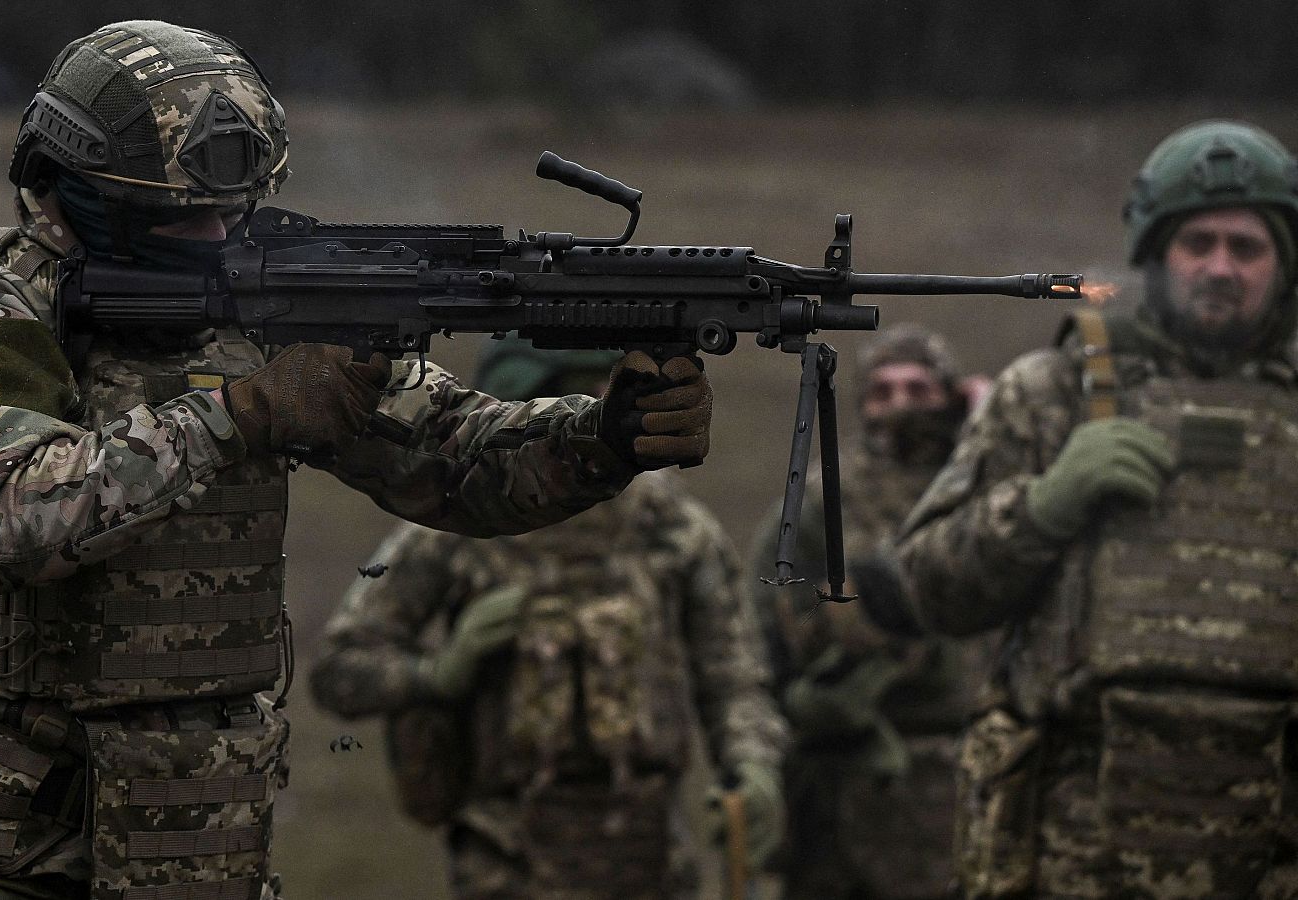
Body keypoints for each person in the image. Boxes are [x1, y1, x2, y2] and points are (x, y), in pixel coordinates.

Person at [0, 20, 714, 900]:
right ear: (85, 195)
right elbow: (11, 513)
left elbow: (451, 456)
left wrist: (603, 438)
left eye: (232, 210)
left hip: (189, 841)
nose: (218, 237)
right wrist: (238, 415)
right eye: (183, 215)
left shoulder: (256, 300)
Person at [887, 120, 1298, 897]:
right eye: (1198, 243)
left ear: (1284, 263)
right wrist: (1042, 508)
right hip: (1070, 856)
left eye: (1246, 248)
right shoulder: (1052, 394)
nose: (1220, 267)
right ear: (1156, 252)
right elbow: (926, 588)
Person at [310, 338, 787, 900]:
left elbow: (733, 676)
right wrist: (437, 672)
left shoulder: (672, 526)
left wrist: (752, 766)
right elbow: (338, 668)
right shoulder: (451, 531)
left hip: (650, 860)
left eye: (601, 392)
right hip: (506, 862)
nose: (585, 410)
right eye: (566, 395)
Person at [747, 324, 994, 900]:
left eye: (919, 388)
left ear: (951, 397)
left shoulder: (984, 488)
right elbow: (770, 628)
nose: (900, 404)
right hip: (851, 770)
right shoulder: (820, 499)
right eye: (883, 391)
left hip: (969, 763)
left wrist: (989, 426)